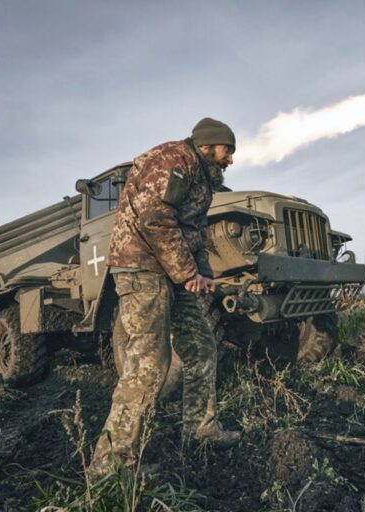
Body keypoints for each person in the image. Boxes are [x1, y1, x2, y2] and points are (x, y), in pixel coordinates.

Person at [89, 118, 240, 478]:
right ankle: (109, 465)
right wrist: (187, 273)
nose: (230, 159)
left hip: (173, 273)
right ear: (207, 145)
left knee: (202, 348)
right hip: (142, 269)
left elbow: (195, 231)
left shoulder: (201, 177)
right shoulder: (174, 160)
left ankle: (200, 429)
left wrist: (202, 274)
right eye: (227, 150)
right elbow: (155, 218)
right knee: (149, 365)